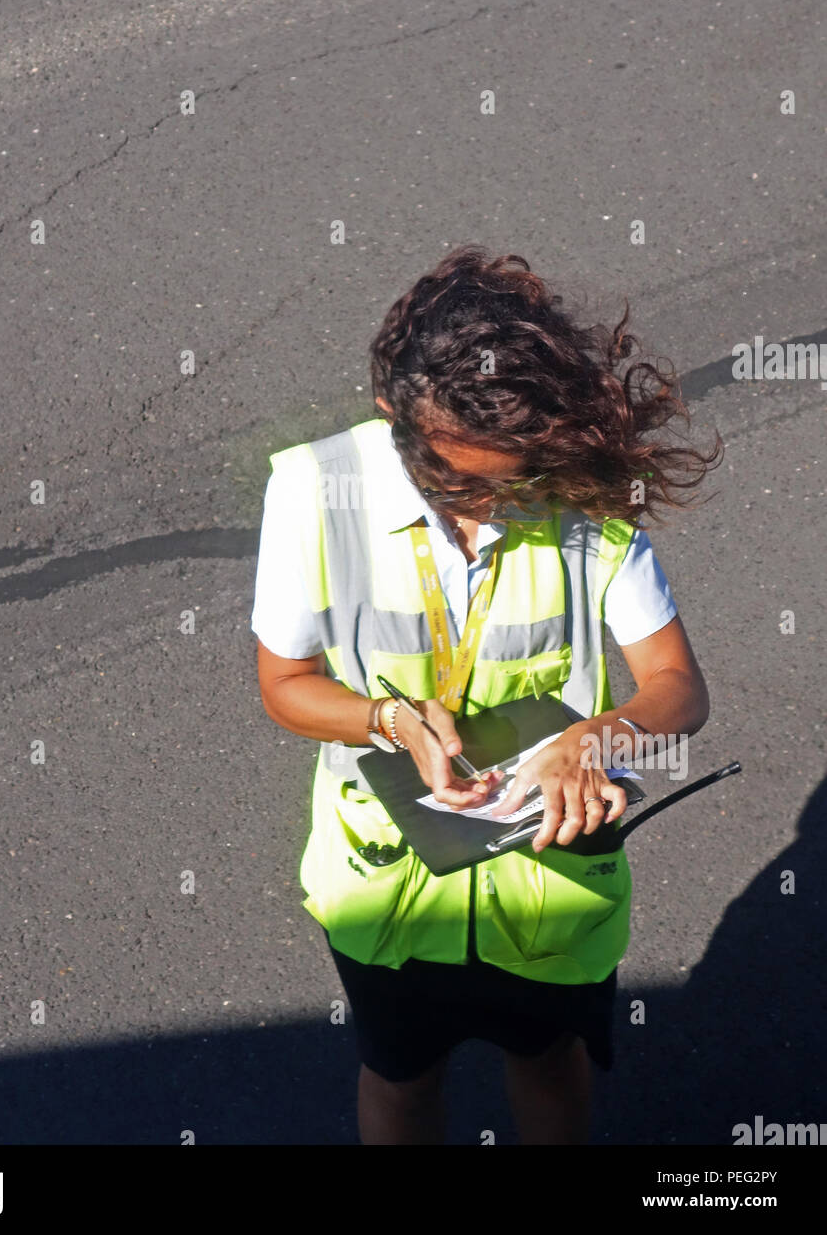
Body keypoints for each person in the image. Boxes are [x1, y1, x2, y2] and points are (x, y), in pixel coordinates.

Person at [251, 246, 719, 1145]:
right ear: (394, 413)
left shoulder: (575, 481)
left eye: (512, 476)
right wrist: (386, 719)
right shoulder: (312, 491)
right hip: (385, 881)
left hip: (550, 873)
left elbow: (676, 689)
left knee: (547, 1061)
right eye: (458, 478)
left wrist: (598, 738)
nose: (492, 502)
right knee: (400, 1074)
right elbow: (285, 686)